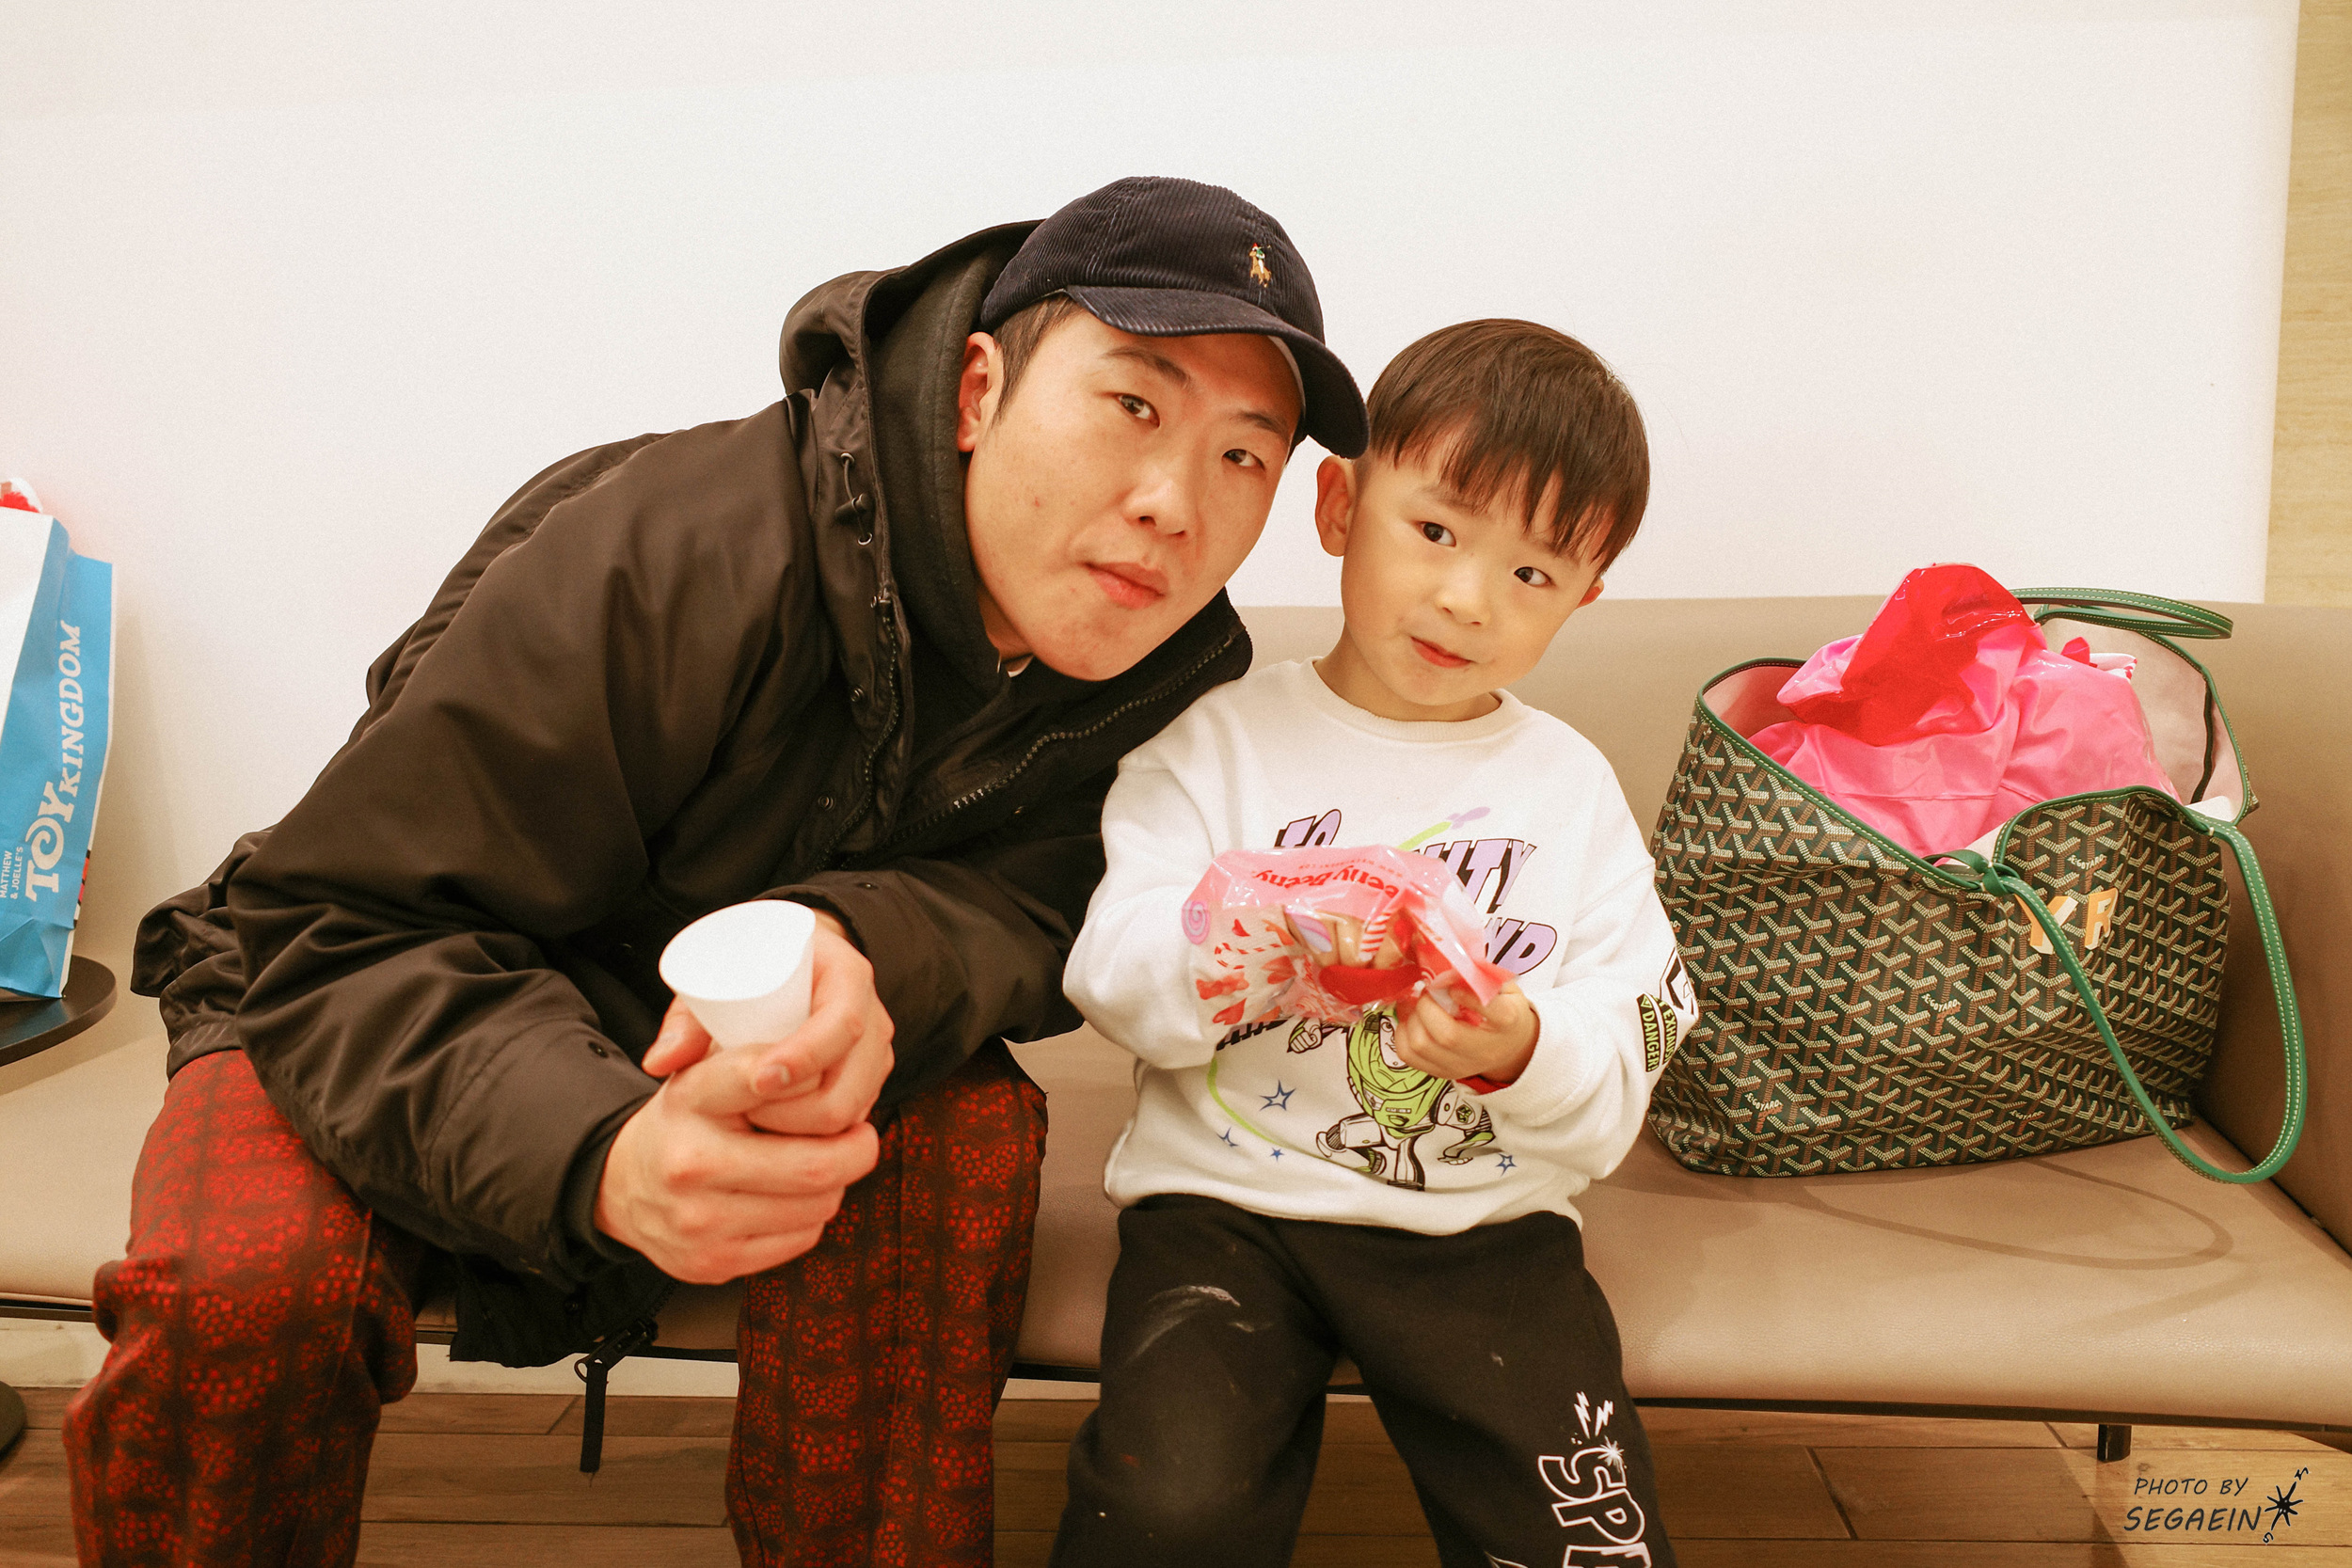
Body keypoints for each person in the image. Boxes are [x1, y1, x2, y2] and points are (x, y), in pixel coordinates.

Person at [61, 176, 1368, 1567]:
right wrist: (599, 1149)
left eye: (1244, 457)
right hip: (370, 966)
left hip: (744, 1029)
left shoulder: (1165, 685)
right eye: (1134, 407)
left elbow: (1045, 904)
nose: (1174, 505)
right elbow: (343, 917)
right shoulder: (675, 545)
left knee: (962, 1143)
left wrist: (856, 946)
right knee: (239, 1291)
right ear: (977, 392)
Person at [1050, 319, 1696, 1567]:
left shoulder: (1570, 789)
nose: (1467, 599)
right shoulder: (1212, 744)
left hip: (1485, 1226)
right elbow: (1111, 979)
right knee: (1168, 1510)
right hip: (1225, 1210)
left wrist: (1520, 1047)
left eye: (1533, 575)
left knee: (1587, 1547)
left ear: (1585, 597)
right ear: (1340, 506)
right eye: (1437, 531)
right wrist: (1262, 940)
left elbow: (1636, 1035)